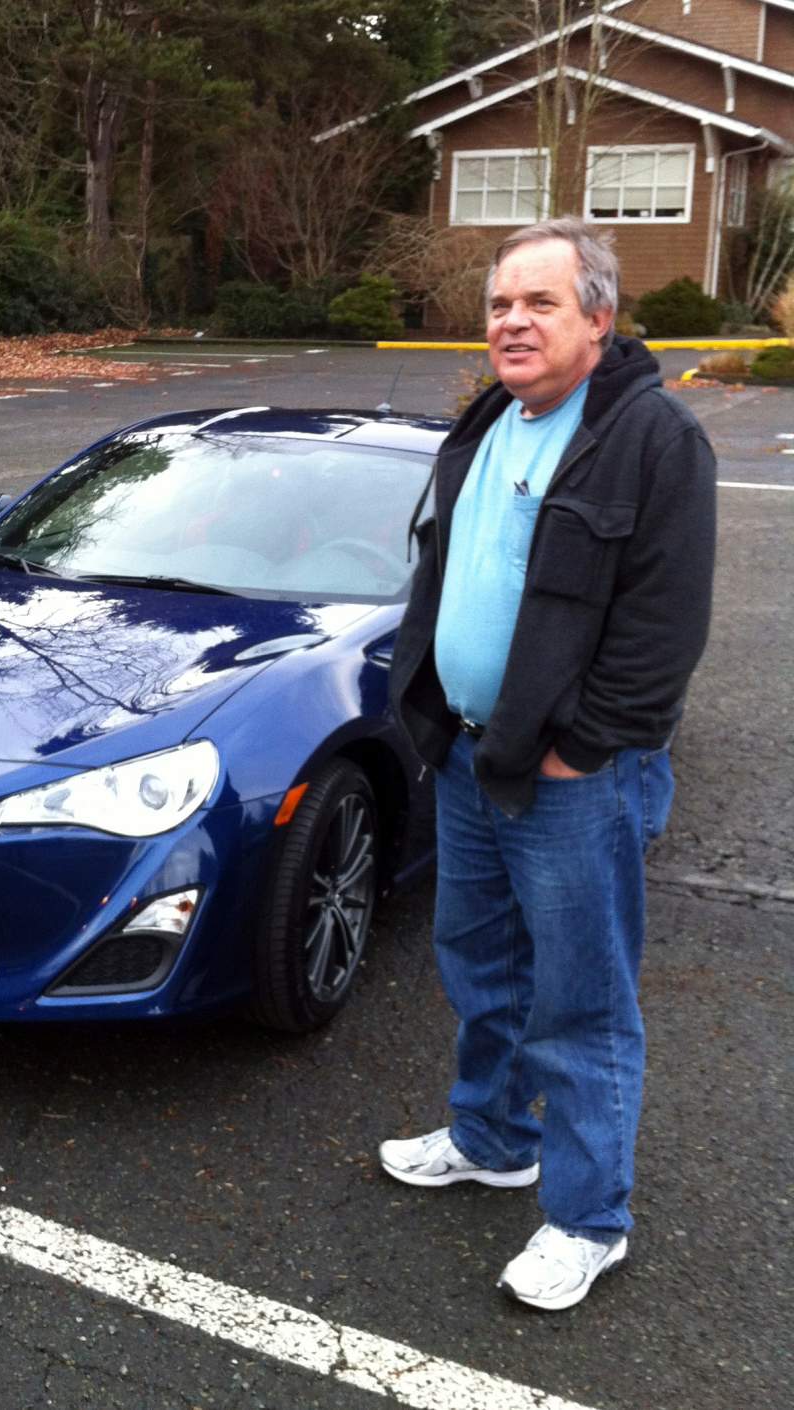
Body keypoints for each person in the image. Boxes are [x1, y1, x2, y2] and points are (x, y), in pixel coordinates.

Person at [382, 216, 716, 1310]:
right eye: (498, 305)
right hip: (471, 760)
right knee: (481, 970)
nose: (512, 322)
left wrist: (585, 748)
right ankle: (489, 1138)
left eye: (541, 304)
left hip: (573, 778)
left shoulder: (651, 438)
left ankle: (587, 1217)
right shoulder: (490, 422)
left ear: (599, 321)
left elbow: (664, 628)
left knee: (581, 1006)